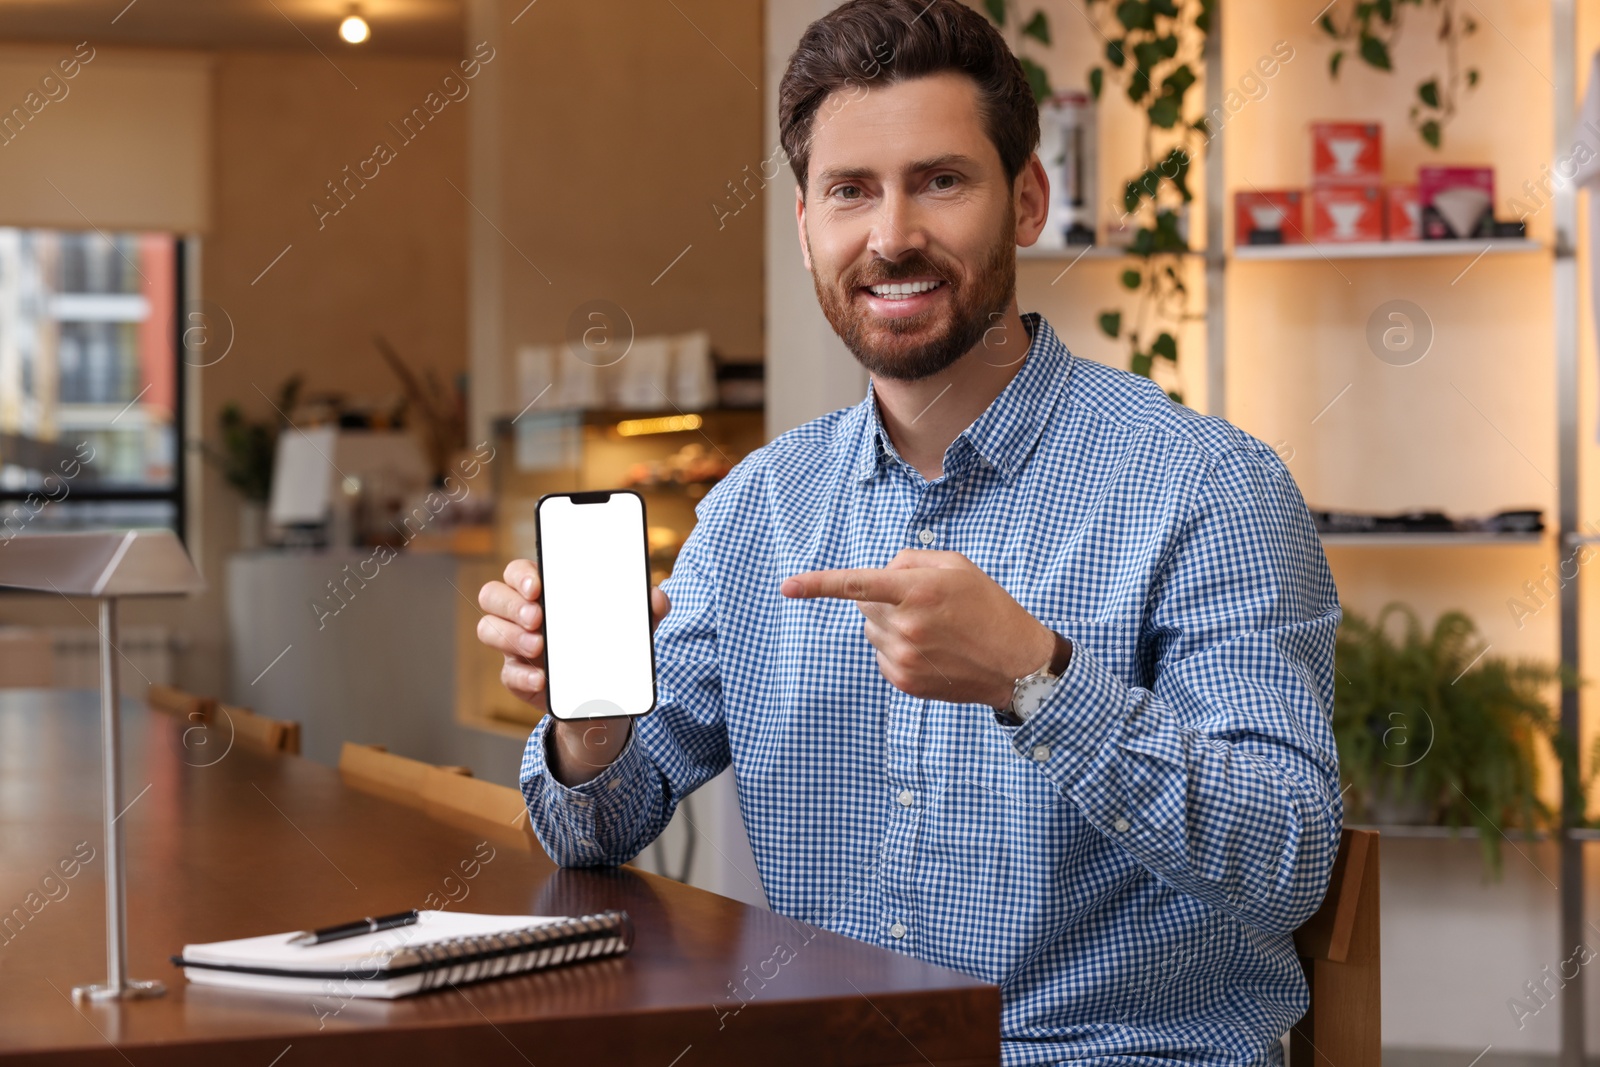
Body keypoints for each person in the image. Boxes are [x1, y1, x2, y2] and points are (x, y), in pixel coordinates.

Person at [476, 0, 1342, 1061]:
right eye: (850, 192)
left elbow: (1288, 858)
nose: (892, 237)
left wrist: (1037, 680)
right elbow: (585, 829)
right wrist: (589, 721)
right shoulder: (759, 509)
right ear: (805, 229)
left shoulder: (1210, 487)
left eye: (941, 180)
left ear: (1026, 200)